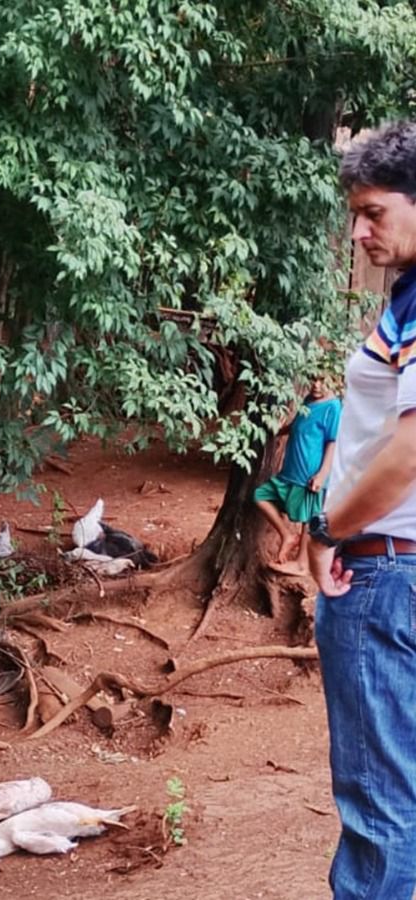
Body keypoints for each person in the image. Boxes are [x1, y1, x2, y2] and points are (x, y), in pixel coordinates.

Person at [306, 120, 416, 900]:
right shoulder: (404, 300)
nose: (359, 229)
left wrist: (326, 528)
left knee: (381, 811)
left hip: (384, 581)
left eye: (373, 211)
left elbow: (410, 454)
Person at [253, 377, 340, 574]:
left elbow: (332, 443)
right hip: (290, 470)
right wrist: (278, 430)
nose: (316, 384)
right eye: (312, 379)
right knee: (261, 496)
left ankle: (302, 564)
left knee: (308, 519)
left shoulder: (333, 406)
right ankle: (287, 535)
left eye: (322, 380)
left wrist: (322, 474)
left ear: (334, 379)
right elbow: (297, 425)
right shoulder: (308, 399)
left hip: (309, 473)